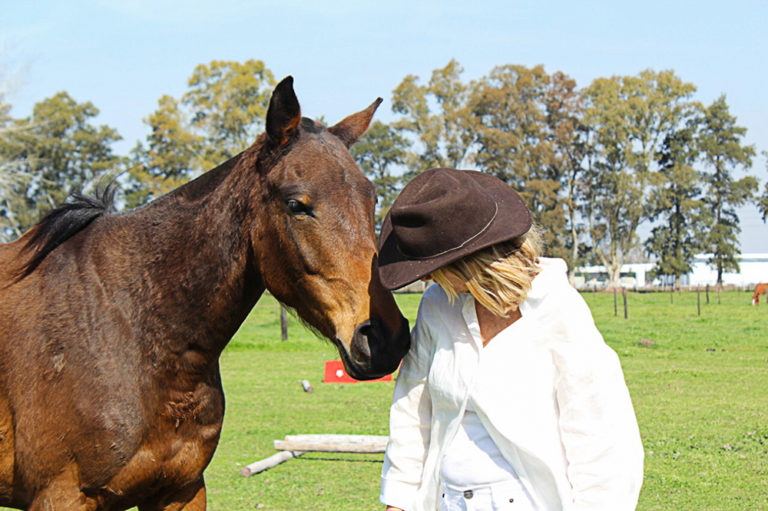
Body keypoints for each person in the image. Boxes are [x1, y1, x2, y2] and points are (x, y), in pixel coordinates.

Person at [376, 168, 644, 511]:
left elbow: (601, 438)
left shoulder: (558, 310)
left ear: (467, 264)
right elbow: (413, 410)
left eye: (433, 268)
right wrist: (398, 501)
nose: (427, 278)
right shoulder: (437, 307)